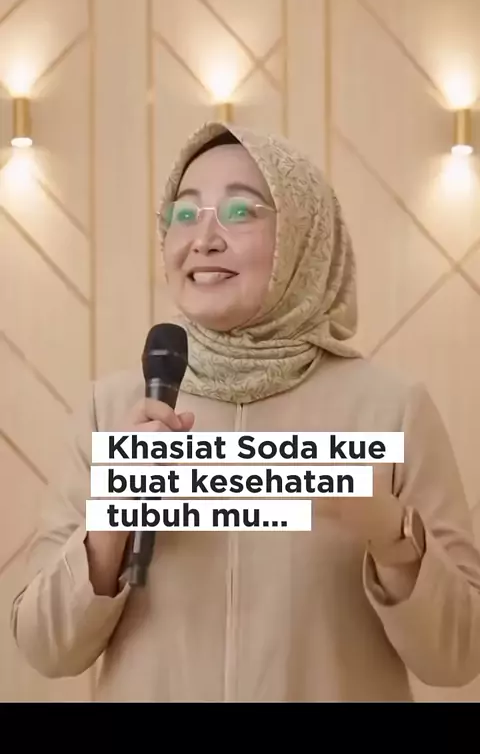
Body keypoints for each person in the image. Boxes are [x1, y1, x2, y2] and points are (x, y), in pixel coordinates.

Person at [10, 121, 480, 702]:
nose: (203, 239)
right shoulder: (110, 412)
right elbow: (46, 649)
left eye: (239, 212)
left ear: (303, 238)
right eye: (185, 214)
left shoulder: (391, 410)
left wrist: (393, 536)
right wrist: (114, 516)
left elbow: (459, 657)